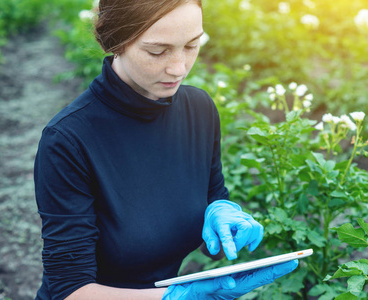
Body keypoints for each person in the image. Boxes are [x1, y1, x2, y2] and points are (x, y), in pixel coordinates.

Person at [34, 0, 299, 299]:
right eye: (157, 51)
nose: (179, 67)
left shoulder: (198, 109)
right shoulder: (68, 140)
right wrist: (178, 297)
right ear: (116, 41)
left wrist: (222, 219)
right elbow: (70, 290)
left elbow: (211, 201)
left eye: (191, 45)